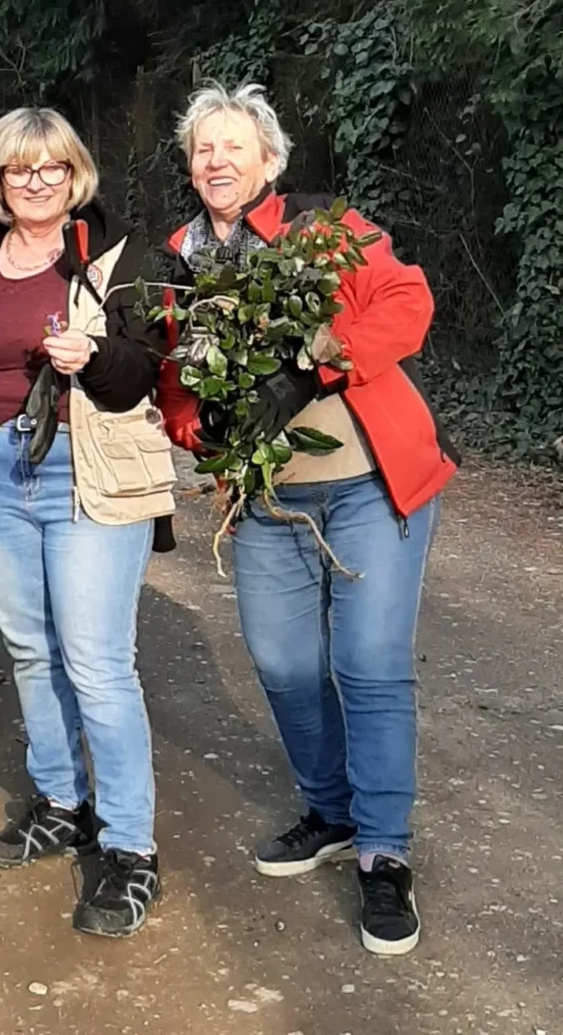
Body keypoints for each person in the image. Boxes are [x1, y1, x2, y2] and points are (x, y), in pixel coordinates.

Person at [157, 82, 457, 957]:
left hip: (370, 487)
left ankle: (384, 852)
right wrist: (199, 425)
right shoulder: (181, 260)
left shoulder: (325, 230)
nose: (216, 160)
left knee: (368, 665)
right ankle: (329, 809)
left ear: (268, 160)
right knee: (285, 665)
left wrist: (316, 363)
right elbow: (177, 383)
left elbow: (406, 304)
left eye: (233, 145)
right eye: (202, 148)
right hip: (269, 499)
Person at [0, 107, 176, 939]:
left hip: (85, 473)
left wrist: (93, 359)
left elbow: (144, 372)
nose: (36, 183)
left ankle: (132, 850)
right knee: (30, 648)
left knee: (98, 663)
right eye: (20, 171)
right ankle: (62, 802)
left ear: (75, 176)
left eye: (53, 169)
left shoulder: (116, 253)